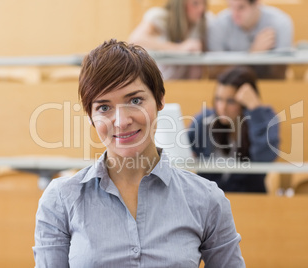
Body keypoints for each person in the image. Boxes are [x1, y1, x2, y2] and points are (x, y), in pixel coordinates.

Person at [33, 39, 245, 267]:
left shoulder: (206, 199)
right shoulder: (60, 200)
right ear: (90, 116)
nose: (122, 121)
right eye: (104, 107)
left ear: (160, 99)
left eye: (135, 100)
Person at [188, 66, 280, 192]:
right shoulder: (203, 121)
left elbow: (265, 157)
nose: (222, 107)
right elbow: (183, 154)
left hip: (250, 200)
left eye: (231, 101)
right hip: (210, 202)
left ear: (244, 103)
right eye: (218, 99)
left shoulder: (263, 118)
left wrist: (255, 109)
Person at [208, 0, 293, 79]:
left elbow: (280, 73)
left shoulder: (280, 23)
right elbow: (215, 72)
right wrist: (252, 54)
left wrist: (238, 62)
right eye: (231, 6)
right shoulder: (219, 24)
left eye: (241, 7)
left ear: (257, 3)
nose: (235, 13)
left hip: (268, 87)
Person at [129, 0, 211, 80]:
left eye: (204, 3)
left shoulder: (203, 22)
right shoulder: (160, 17)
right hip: (162, 79)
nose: (201, 9)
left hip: (185, 84)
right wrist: (179, 48)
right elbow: (135, 40)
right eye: (195, 3)